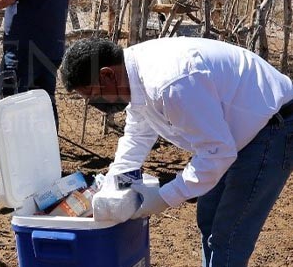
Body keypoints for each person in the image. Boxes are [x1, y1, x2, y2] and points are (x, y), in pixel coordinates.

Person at [61, 37, 293, 267]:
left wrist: (165, 196)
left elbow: (217, 152)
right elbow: (138, 135)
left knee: (229, 235)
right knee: (208, 218)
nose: (94, 104)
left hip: (270, 128)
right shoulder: (133, 75)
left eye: (92, 95)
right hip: (234, 130)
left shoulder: (170, 83)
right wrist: (114, 181)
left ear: (107, 75)